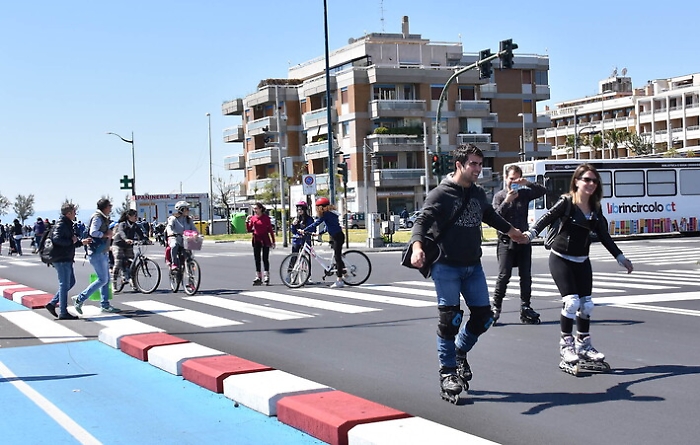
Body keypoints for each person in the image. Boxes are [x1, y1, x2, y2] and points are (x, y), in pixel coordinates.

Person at [409, 144, 528, 402]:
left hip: (473, 265)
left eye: (480, 164)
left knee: (484, 317)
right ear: (459, 165)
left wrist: (512, 232)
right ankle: (448, 372)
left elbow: (489, 215)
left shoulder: (477, 193)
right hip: (446, 265)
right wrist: (417, 248)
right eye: (473, 164)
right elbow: (421, 221)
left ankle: (459, 352)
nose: (478, 169)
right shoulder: (441, 194)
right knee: (449, 319)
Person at [524, 163, 633, 371]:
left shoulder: (595, 208)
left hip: (582, 260)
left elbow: (604, 235)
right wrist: (530, 234)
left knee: (587, 305)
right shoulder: (567, 202)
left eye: (594, 181)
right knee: (572, 302)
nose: (591, 184)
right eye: (587, 180)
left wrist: (620, 257)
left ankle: (584, 345)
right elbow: (547, 218)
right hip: (561, 258)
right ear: (577, 181)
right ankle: (566, 347)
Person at [491, 164, 547, 324]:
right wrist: (507, 201)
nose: (513, 182)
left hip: (522, 240)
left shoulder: (524, 194)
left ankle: (525, 307)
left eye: (516, 179)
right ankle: (496, 308)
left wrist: (527, 183)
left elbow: (543, 191)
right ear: (505, 178)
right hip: (505, 241)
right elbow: (495, 217)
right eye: (511, 179)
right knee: (504, 275)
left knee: (526, 276)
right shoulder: (499, 196)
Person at [72, 198, 121, 314]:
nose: (111, 209)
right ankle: (80, 298)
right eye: (109, 206)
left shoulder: (102, 217)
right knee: (103, 279)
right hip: (96, 252)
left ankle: (105, 304)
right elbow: (93, 232)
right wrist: (105, 235)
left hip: (101, 251)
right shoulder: (98, 217)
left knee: (106, 279)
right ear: (105, 207)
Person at [45, 203, 92, 320]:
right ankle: (63, 312)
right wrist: (72, 241)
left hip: (65, 257)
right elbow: (57, 240)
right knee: (64, 284)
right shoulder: (61, 224)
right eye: (74, 212)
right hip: (61, 258)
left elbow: (70, 242)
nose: (75, 214)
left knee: (70, 282)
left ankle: (52, 303)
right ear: (69, 213)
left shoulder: (67, 224)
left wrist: (81, 242)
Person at [299, 197, 345, 288]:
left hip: (337, 237)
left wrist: (304, 230)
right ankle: (345, 272)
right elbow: (328, 226)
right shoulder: (330, 214)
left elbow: (316, 223)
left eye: (318, 207)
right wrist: (319, 233)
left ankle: (340, 280)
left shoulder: (326, 214)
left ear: (321, 207)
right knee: (337, 256)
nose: (317, 209)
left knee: (337, 257)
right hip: (336, 236)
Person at [112, 209, 148, 285]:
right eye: (135, 216)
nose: (136, 217)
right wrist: (126, 239)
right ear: (129, 216)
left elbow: (141, 234)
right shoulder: (122, 224)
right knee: (118, 263)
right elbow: (121, 232)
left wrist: (146, 240)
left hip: (128, 245)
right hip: (118, 244)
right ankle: (114, 282)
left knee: (132, 263)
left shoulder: (135, 225)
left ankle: (133, 282)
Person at [246, 202, 276, 285]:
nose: (255, 210)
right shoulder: (253, 218)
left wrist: (273, 241)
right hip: (256, 239)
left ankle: (266, 275)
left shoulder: (266, 218)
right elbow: (249, 229)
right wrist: (247, 221)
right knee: (257, 259)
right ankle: (258, 276)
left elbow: (270, 230)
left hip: (265, 239)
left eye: (256, 208)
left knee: (265, 258)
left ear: (260, 209)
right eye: (254, 209)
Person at [166, 201, 197, 270]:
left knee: (188, 251)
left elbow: (193, 228)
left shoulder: (189, 219)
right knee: (174, 245)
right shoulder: (173, 218)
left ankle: (190, 264)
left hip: (185, 239)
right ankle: (174, 263)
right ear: (181, 209)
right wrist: (170, 232)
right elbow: (169, 226)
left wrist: (195, 233)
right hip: (175, 237)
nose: (188, 210)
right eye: (186, 209)